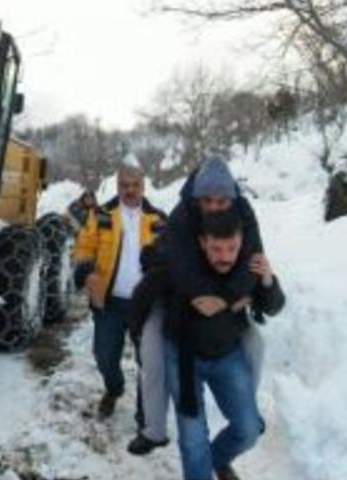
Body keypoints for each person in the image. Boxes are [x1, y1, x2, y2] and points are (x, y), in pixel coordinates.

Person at [127, 156, 267, 456]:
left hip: (222, 301)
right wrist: (221, 299)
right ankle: (153, 429)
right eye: (208, 200)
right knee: (152, 351)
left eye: (222, 200)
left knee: (255, 344)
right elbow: (184, 273)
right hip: (174, 296)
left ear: (232, 198)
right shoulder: (181, 216)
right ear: (197, 198)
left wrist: (227, 301)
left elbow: (254, 261)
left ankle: (247, 412)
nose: (215, 207)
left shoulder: (243, 212)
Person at [166, 209, 285, 480]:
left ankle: (217, 459)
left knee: (249, 429)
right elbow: (200, 305)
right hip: (184, 357)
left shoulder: (245, 268)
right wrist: (232, 302)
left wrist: (267, 281)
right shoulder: (187, 267)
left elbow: (274, 307)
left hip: (227, 356)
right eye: (217, 249)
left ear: (241, 242)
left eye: (232, 248)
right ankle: (200, 466)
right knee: (193, 440)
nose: (225, 257)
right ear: (202, 243)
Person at [74, 165, 167, 419]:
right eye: (124, 185)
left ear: (143, 186)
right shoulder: (101, 216)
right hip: (110, 302)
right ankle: (114, 389)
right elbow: (83, 249)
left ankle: (144, 412)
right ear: (117, 186)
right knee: (104, 356)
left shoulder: (159, 219)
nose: (130, 190)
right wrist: (87, 273)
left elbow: (170, 257)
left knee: (148, 361)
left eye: (135, 185)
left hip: (145, 305)